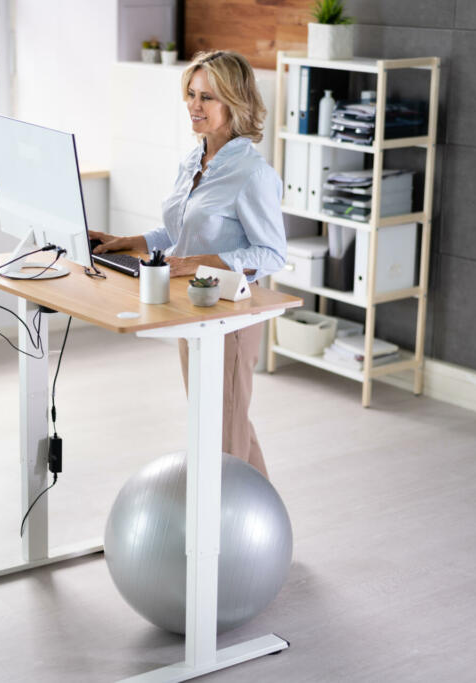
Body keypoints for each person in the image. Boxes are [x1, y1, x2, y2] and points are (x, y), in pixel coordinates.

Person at [89, 50, 286, 479]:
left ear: (234, 103)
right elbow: (178, 233)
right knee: (221, 420)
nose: (194, 106)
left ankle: (225, 538)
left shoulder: (253, 175)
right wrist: (128, 241)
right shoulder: (193, 161)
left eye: (208, 98)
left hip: (230, 317)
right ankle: (265, 526)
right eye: (192, 94)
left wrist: (205, 262)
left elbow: (271, 254)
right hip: (190, 307)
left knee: (224, 429)